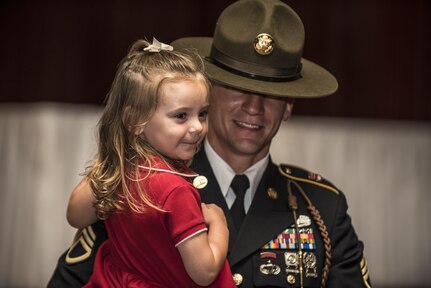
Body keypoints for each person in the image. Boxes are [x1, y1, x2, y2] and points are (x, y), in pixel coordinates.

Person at [48, 0, 372, 287]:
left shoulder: (322, 207)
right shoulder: (140, 185)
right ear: (208, 91)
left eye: (271, 94)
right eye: (238, 87)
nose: (253, 107)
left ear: (289, 107)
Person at [61, 37, 236, 287]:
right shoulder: (176, 191)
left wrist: (111, 165)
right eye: (181, 116)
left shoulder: (120, 173)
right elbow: (205, 271)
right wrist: (219, 222)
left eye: (203, 114)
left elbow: (76, 215)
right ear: (134, 120)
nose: (198, 126)